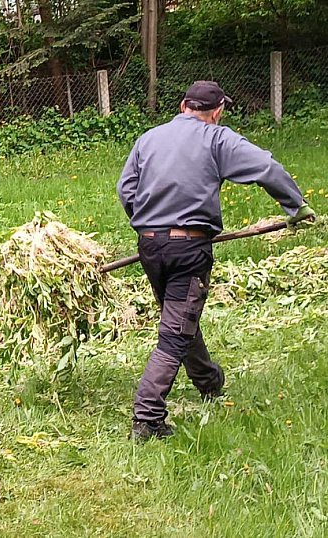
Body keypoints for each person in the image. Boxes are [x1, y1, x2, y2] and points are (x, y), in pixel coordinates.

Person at [117, 80, 316, 441]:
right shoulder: (217, 139)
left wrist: (149, 223)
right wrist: (296, 206)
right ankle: (147, 418)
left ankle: (209, 381)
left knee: (180, 316)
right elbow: (266, 167)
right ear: (218, 111)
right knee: (175, 333)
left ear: (183, 106)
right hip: (188, 249)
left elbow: (126, 188)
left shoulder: (149, 138)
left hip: (150, 246)